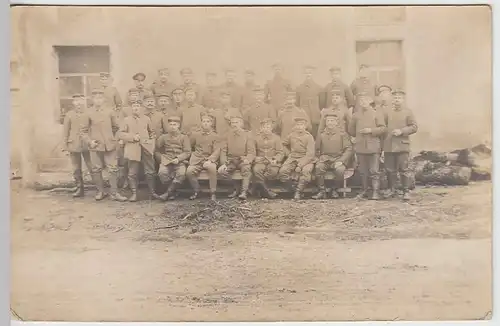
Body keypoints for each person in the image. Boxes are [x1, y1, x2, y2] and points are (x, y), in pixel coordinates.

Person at [81, 89, 128, 202]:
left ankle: (114, 192)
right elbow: (83, 131)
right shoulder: (88, 113)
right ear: (92, 99)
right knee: (96, 169)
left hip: (109, 145)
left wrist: (113, 139)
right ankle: (100, 191)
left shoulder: (109, 111)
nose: (98, 100)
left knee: (113, 169)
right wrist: (90, 141)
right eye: (96, 98)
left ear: (103, 100)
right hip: (95, 146)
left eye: (100, 98)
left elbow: (116, 127)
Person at [348, 92, 387, 200]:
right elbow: (351, 130)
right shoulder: (356, 115)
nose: (363, 102)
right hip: (360, 146)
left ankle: (375, 192)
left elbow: (383, 129)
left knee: (374, 171)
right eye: (361, 100)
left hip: (373, 146)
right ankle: (364, 191)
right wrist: (355, 137)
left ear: (370, 101)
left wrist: (371, 130)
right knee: (363, 171)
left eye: (365, 99)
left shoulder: (376, 113)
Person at [117, 100, 157, 202]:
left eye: (138, 106)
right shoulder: (126, 120)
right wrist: (132, 137)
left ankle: (152, 192)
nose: (136, 108)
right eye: (134, 106)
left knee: (150, 171)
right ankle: (134, 193)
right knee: (132, 173)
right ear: (131, 108)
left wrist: (151, 141)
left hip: (146, 148)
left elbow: (152, 133)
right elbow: (120, 134)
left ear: (141, 108)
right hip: (132, 148)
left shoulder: (147, 119)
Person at [382, 89, 418, 201]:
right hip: (389, 144)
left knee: (404, 169)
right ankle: (391, 189)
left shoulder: (408, 112)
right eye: (395, 98)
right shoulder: (387, 112)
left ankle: (405, 191)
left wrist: (402, 131)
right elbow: (383, 127)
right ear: (392, 99)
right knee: (389, 169)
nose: (397, 100)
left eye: (399, 98)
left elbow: (414, 127)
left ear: (403, 99)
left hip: (402, 145)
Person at [312, 112, 353, 199]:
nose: (330, 123)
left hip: (338, 158)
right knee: (318, 167)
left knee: (340, 170)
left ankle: (335, 189)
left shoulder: (343, 134)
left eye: (332, 121)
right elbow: (317, 149)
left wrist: (341, 161)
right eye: (328, 121)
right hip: (325, 158)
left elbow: (348, 149)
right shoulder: (321, 134)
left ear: (336, 122)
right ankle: (321, 191)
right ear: (325, 122)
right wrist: (318, 158)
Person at [218, 114, 256, 200]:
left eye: (236, 122)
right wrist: (223, 163)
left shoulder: (247, 135)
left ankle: (244, 192)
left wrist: (248, 160)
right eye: (232, 123)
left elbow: (252, 152)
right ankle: (236, 188)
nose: (234, 124)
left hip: (243, 160)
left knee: (246, 170)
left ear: (241, 124)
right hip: (231, 161)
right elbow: (223, 151)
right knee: (222, 171)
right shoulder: (227, 135)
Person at [62, 93, 93, 198]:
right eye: (76, 101)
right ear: (73, 103)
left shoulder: (89, 113)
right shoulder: (69, 115)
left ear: (83, 101)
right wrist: (65, 146)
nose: (78, 103)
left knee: (91, 166)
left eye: (80, 100)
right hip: (73, 144)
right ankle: (80, 188)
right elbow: (65, 132)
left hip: (87, 144)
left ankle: (99, 188)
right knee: (76, 168)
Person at [278, 116, 316, 200]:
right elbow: (282, 144)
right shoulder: (292, 135)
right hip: (293, 157)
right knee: (282, 172)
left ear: (305, 126)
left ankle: (298, 192)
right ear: (295, 126)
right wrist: (288, 153)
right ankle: (293, 190)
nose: (299, 127)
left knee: (306, 172)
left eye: (301, 125)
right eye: (297, 125)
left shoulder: (309, 137)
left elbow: (310, 154)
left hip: (306, 159)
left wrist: (300, 165)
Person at [186, 113, 221, 201]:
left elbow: (217, 150)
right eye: (204, 121)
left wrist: (210, 160)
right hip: (197, 159)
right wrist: (192, 157)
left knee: (212, 168)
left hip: (209, 159)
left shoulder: (215, 136)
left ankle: (213, 192)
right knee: (189, 171)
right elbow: (189, 147)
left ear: (211, 123)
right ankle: (197, 190)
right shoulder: (195, 135)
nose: (205, 123)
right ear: (201, 123)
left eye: (208, 121)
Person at [156, 116, 192, 201]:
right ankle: (173, 192)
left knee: (181, 174)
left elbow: (187, 152)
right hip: (166, 160)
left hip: (179, 162)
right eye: (170, 124)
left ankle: (167, 193)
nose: (172, 126)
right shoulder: (163, 137)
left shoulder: (184, 137)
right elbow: (156, 150)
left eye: (174, 124)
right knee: (162, 173)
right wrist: (162, 159)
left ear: (178, 125)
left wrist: (178, 159)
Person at [252, 118, 284, 199]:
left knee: (273, 172)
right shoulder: (256, 138)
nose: (266, 129)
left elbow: (280, 152)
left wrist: (276, 159)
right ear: (261, 128)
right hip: (260, 161)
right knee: (257, 170)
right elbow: (252, 152)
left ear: (271, 128)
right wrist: (255, 158)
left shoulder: (276, 138)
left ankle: (255, 187)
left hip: (272, 161)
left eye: (268, 127)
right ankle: (268, 192)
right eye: (264, 127)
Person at [296, 65, 322, 137]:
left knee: (315, 134)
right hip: (304, 115)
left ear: (313, 74)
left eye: (310, 73)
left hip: (315, 116)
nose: (308, 75)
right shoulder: (299, 88)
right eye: (306, 73)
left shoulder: (319, 88)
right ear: (304, 74)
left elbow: (322, 104)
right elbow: (297, 104)